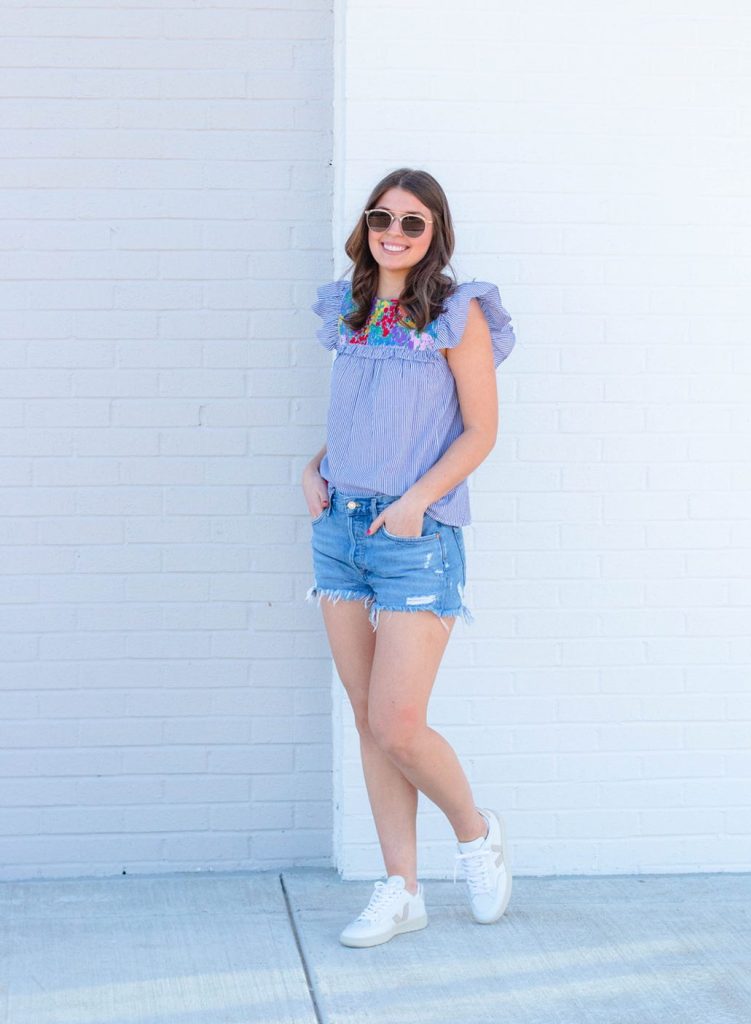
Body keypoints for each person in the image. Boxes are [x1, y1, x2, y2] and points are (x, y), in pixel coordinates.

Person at [301, 168, 516, 948]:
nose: (395, 230)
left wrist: (416, 500)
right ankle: (401, 889)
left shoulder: (458, 315)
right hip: (338, 530)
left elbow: (478, 431)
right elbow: (372, 416)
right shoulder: (351, 311)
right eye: (382, 216)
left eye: (413, 222)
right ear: (366, 227)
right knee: (367, 720)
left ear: (435, 236)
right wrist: (315, 462)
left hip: (414, 540)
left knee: (398, 721)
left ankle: (474, 834)